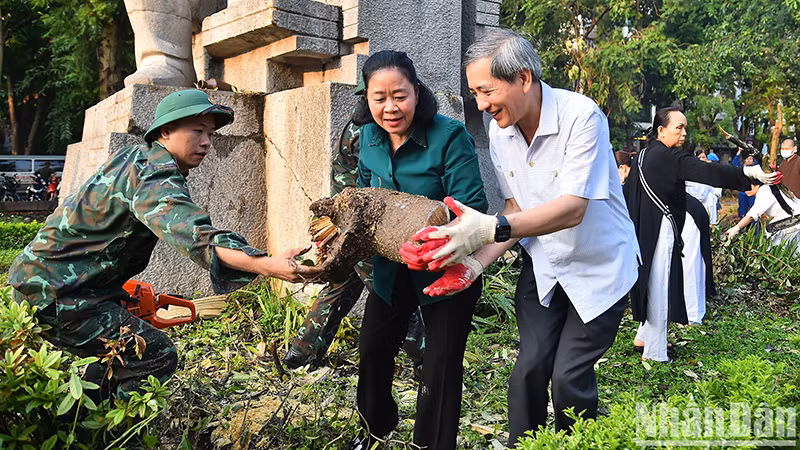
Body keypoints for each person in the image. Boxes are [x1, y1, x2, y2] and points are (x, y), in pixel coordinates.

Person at [401, 29, 640, 445]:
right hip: (545, 264)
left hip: (600, 266)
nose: (480, 105)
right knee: (527, 370)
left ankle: (575, 443)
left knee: (568, 377)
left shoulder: (581, 117)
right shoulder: (499, 130)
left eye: (486, 91)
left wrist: (489, 227)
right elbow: (514, 210)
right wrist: (475, 261)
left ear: (524, 79)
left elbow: (572, 208)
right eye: (474, 93)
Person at [8, 90, 321, 401]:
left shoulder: (133, 158)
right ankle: (118, 429)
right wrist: (267, 265)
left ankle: (85, 416)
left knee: (114, 357)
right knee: (156, 354)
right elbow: (196, 236)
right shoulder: (153, 175)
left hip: (41, 281)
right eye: (197, 131)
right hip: (57, 294)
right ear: (166, 130)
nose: (207, 142)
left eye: (210, 133)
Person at [350, 50, 488, 450]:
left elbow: (470, 205)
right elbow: (364, 195)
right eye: (379, 97)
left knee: (439, 367)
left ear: (417, 92)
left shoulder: (449, 135)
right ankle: (375, 430)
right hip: (389, 270)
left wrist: (433, 235)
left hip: (445, 270)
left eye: (400, 95)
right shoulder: (368, 138)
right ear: (367, 98)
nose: (390, 108)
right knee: (373, 350)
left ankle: (432, 444)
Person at [284, 84, 425, 372]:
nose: (389, 106)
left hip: (352, 223)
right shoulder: (368, 132)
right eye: (378, 97)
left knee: (339, 286)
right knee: (393, 294)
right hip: (364, 227)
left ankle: (300, 356)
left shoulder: (358, 124)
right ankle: (427, 360)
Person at [623, 107, 779, 362]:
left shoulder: (644, 154)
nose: (684, 133)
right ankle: (655, 354)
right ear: (661, 130)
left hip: (645, 228)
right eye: (679, 127)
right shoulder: (666, 156)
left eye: (685, 127)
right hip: (661, 227)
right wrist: (749, 174)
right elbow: (705, 171)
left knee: (653, 282)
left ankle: (645, 338)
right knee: (660, 285)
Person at [726, 141, 800, 248]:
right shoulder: (777, 181)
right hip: (793, 217)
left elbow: (752, 215)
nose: (748, 192)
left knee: (772, 237)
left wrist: (736, 228)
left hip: (793, 219)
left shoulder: (766, 190)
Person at [686, 150, 722, 224]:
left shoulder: (711, 171)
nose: (702, 159)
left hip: (708, 202)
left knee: (710, 224)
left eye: (703, 157)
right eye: (699, 157)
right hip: (694, 202)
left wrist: (715, 196)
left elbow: (718, 185)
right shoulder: (690, 171)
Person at [731, 148, 760, 221]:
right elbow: (734, 163)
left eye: (750, 159)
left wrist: (752, 151)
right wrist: (739, 151)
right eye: (747, 159)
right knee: (742, 212)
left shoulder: (756, 168)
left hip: (753, 193)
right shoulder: (742, 168)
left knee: (754, 213)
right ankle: (741, 230)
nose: (749, 160)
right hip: (743, 193)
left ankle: (755, 231)